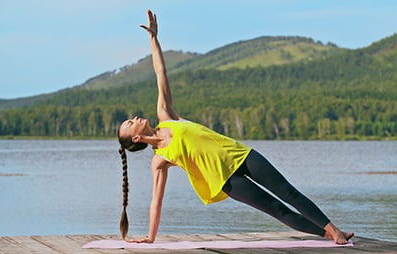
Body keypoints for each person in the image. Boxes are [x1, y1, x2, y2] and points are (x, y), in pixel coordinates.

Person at [117, 9, 354, 245]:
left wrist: (153, 38)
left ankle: (335, 230)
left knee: (289, 192)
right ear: (136, 139)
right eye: (130, 123)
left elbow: (160, 73)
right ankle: (328, 235)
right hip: (228, 182)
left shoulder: (166, 116)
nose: (134, 117)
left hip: (242, 155)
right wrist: (151, 237)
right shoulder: (160, 160)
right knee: (276, 209)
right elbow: (156, 201)